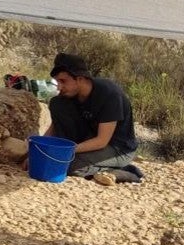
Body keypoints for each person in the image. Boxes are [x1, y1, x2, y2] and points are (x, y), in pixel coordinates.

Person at [44, 52, 141, 181]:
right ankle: (96, 165)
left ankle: (125, 171)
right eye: (57, 82)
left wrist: (66, 151)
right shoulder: (70, 95)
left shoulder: (109, 94)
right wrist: (40, 150)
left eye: (63, 81)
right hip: (89, 140)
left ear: (80, 79)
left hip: (118, 148)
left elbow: (102, 141)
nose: (59, 87)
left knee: (69, 167)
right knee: (57, 103)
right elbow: (55, 126)